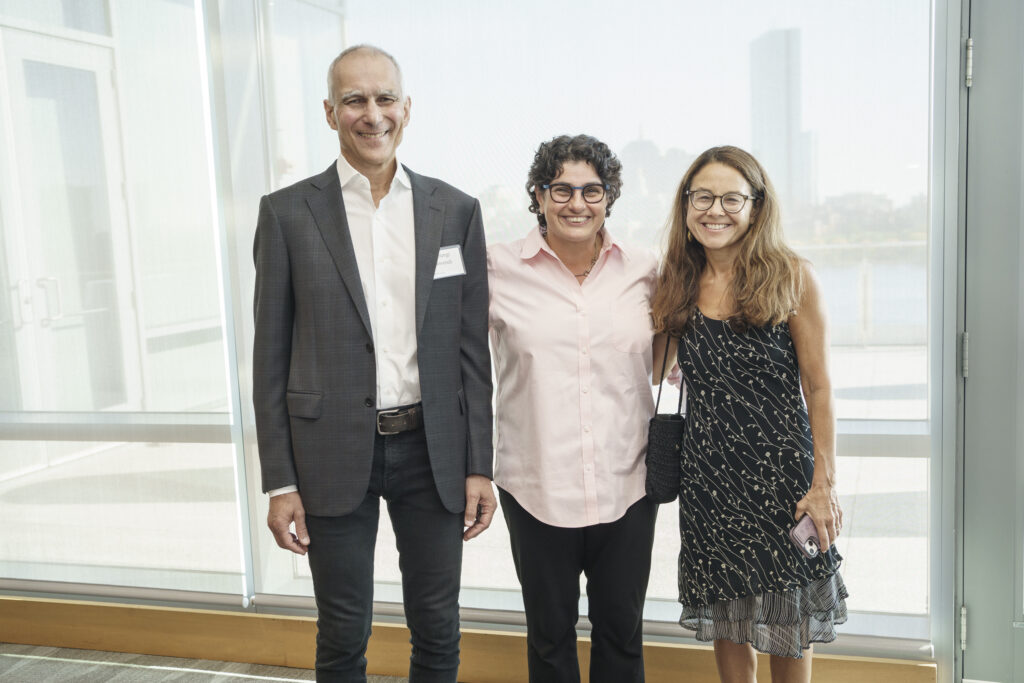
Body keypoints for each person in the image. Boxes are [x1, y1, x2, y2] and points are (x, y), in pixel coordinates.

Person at [251, 44, 496, 682]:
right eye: (354, 100)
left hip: (432, 451)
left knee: (439, 629)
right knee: (341, 634)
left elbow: (473, 352)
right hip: (328, 453)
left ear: (406, 109)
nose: (372, 113)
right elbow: (269, 360)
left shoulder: (456, 211)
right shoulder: (286, 214)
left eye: (385, 98)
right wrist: (280, 483)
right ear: (331, 113)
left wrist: (480, 466)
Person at [651, 146, 848, 683]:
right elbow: (650, 367)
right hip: (709, 480)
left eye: (731, 198)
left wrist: (823, 483)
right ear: (686, 206)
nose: (715, 210)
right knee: (729, 620)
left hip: (783, 481)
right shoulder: (678, 280)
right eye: (703, 197)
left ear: (757, 207)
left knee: (791, 619)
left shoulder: (792, 275)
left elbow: (820, 387)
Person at [487, 134, 659, 682]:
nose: (576, 203)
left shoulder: (647, 270)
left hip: (628, 486)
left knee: (622, 637)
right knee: (549, 640)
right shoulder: (495, 269)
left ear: (610, 197)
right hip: (536, 486)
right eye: (561, 189)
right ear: (537, 195)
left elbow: (678, 361)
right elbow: (456, 364)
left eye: (592, 190)